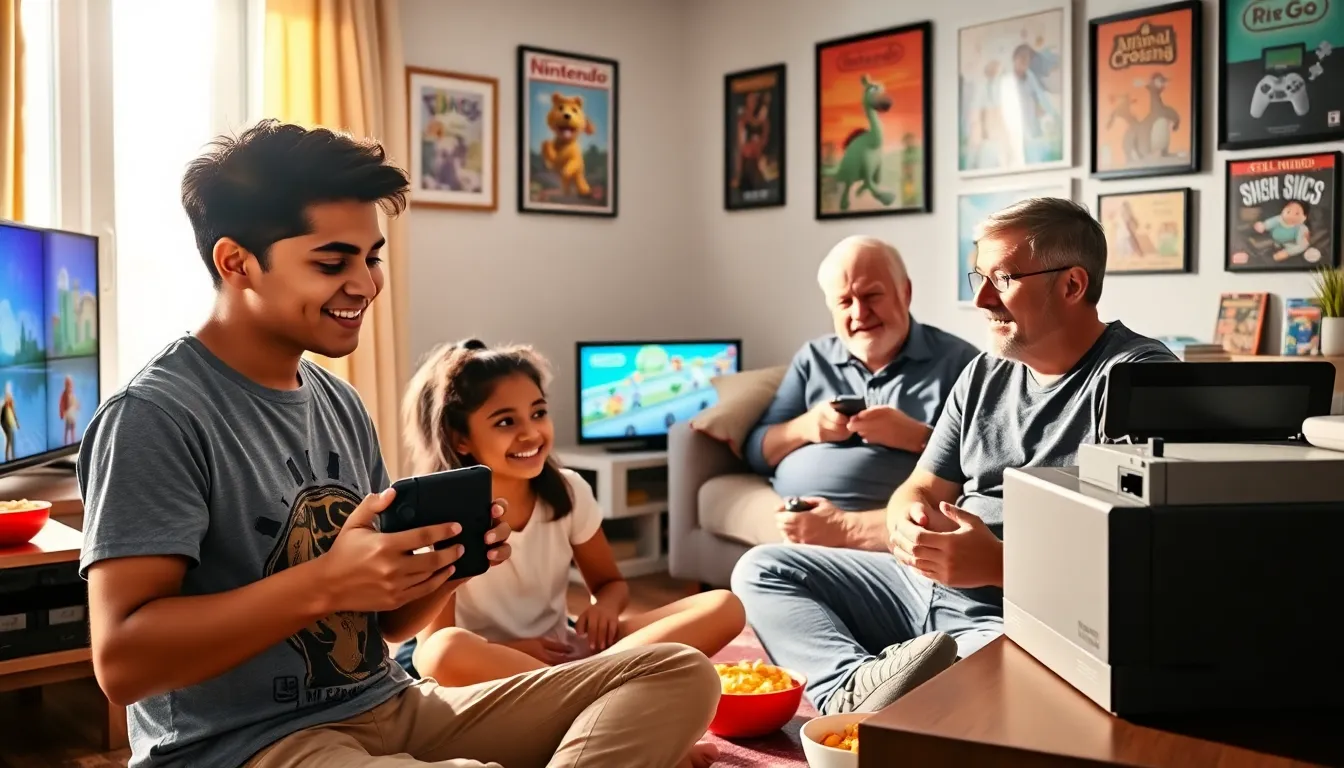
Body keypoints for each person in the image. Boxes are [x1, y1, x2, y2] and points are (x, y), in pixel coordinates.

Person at [77, 119, 721, 768]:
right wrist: (325, 582)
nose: (365, 283)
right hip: (243, 745)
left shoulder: (339, 402)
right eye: (333, 262)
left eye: (372, 257)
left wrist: (442, 568)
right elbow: (123, 663)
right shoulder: (154, 416)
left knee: (676, 674)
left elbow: (387, 628)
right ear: (236, 261)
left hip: (390, 706)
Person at [732, 198, 1178, 717]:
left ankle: (905, 681)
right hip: (919, 584)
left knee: (1033, 675)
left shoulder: (1139, 380)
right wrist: (907, 523)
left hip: (1016, 616)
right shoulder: (985, 373)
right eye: (978, 278)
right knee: (762, 568)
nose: (982, 299)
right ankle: (851, 689)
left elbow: (1147, 560)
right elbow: (921, 486)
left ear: (1073, 285)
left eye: (1004, 279)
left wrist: (999, 564)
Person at [400, 340, 744, 702]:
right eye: (505, 421)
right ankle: (604, 695)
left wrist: (605, 609)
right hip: (493, 667)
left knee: (724, 605)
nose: (531, 433)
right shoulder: (442, 515)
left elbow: (610, 584)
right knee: (442, 652)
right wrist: (517, 649)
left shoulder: (569, 490)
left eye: (538, 413)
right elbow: (433, 645)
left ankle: (589, 691)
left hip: (566, 654)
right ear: (461, 439)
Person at [742, 235, 979, 550]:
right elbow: (757, 454)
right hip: (800, 514)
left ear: (905, 293)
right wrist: (807, 427)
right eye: (844, 302)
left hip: (883, 524)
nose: (859, 313)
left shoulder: (961, 363)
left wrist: (918, 437)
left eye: (872, 296)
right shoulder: (814, 358)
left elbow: (981, 471)